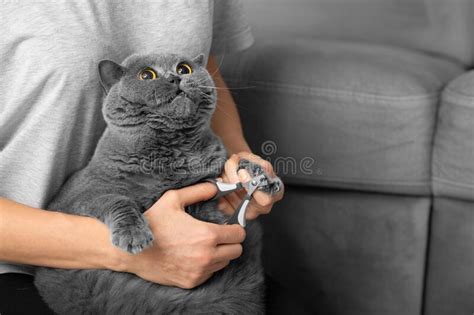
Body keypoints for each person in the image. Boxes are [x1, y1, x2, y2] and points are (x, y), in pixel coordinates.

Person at [0, 1, 284, 313]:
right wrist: (133, 250)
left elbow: (207, 71)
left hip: (195, 254)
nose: (175, 78)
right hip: (25, 262)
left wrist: (239, 165)